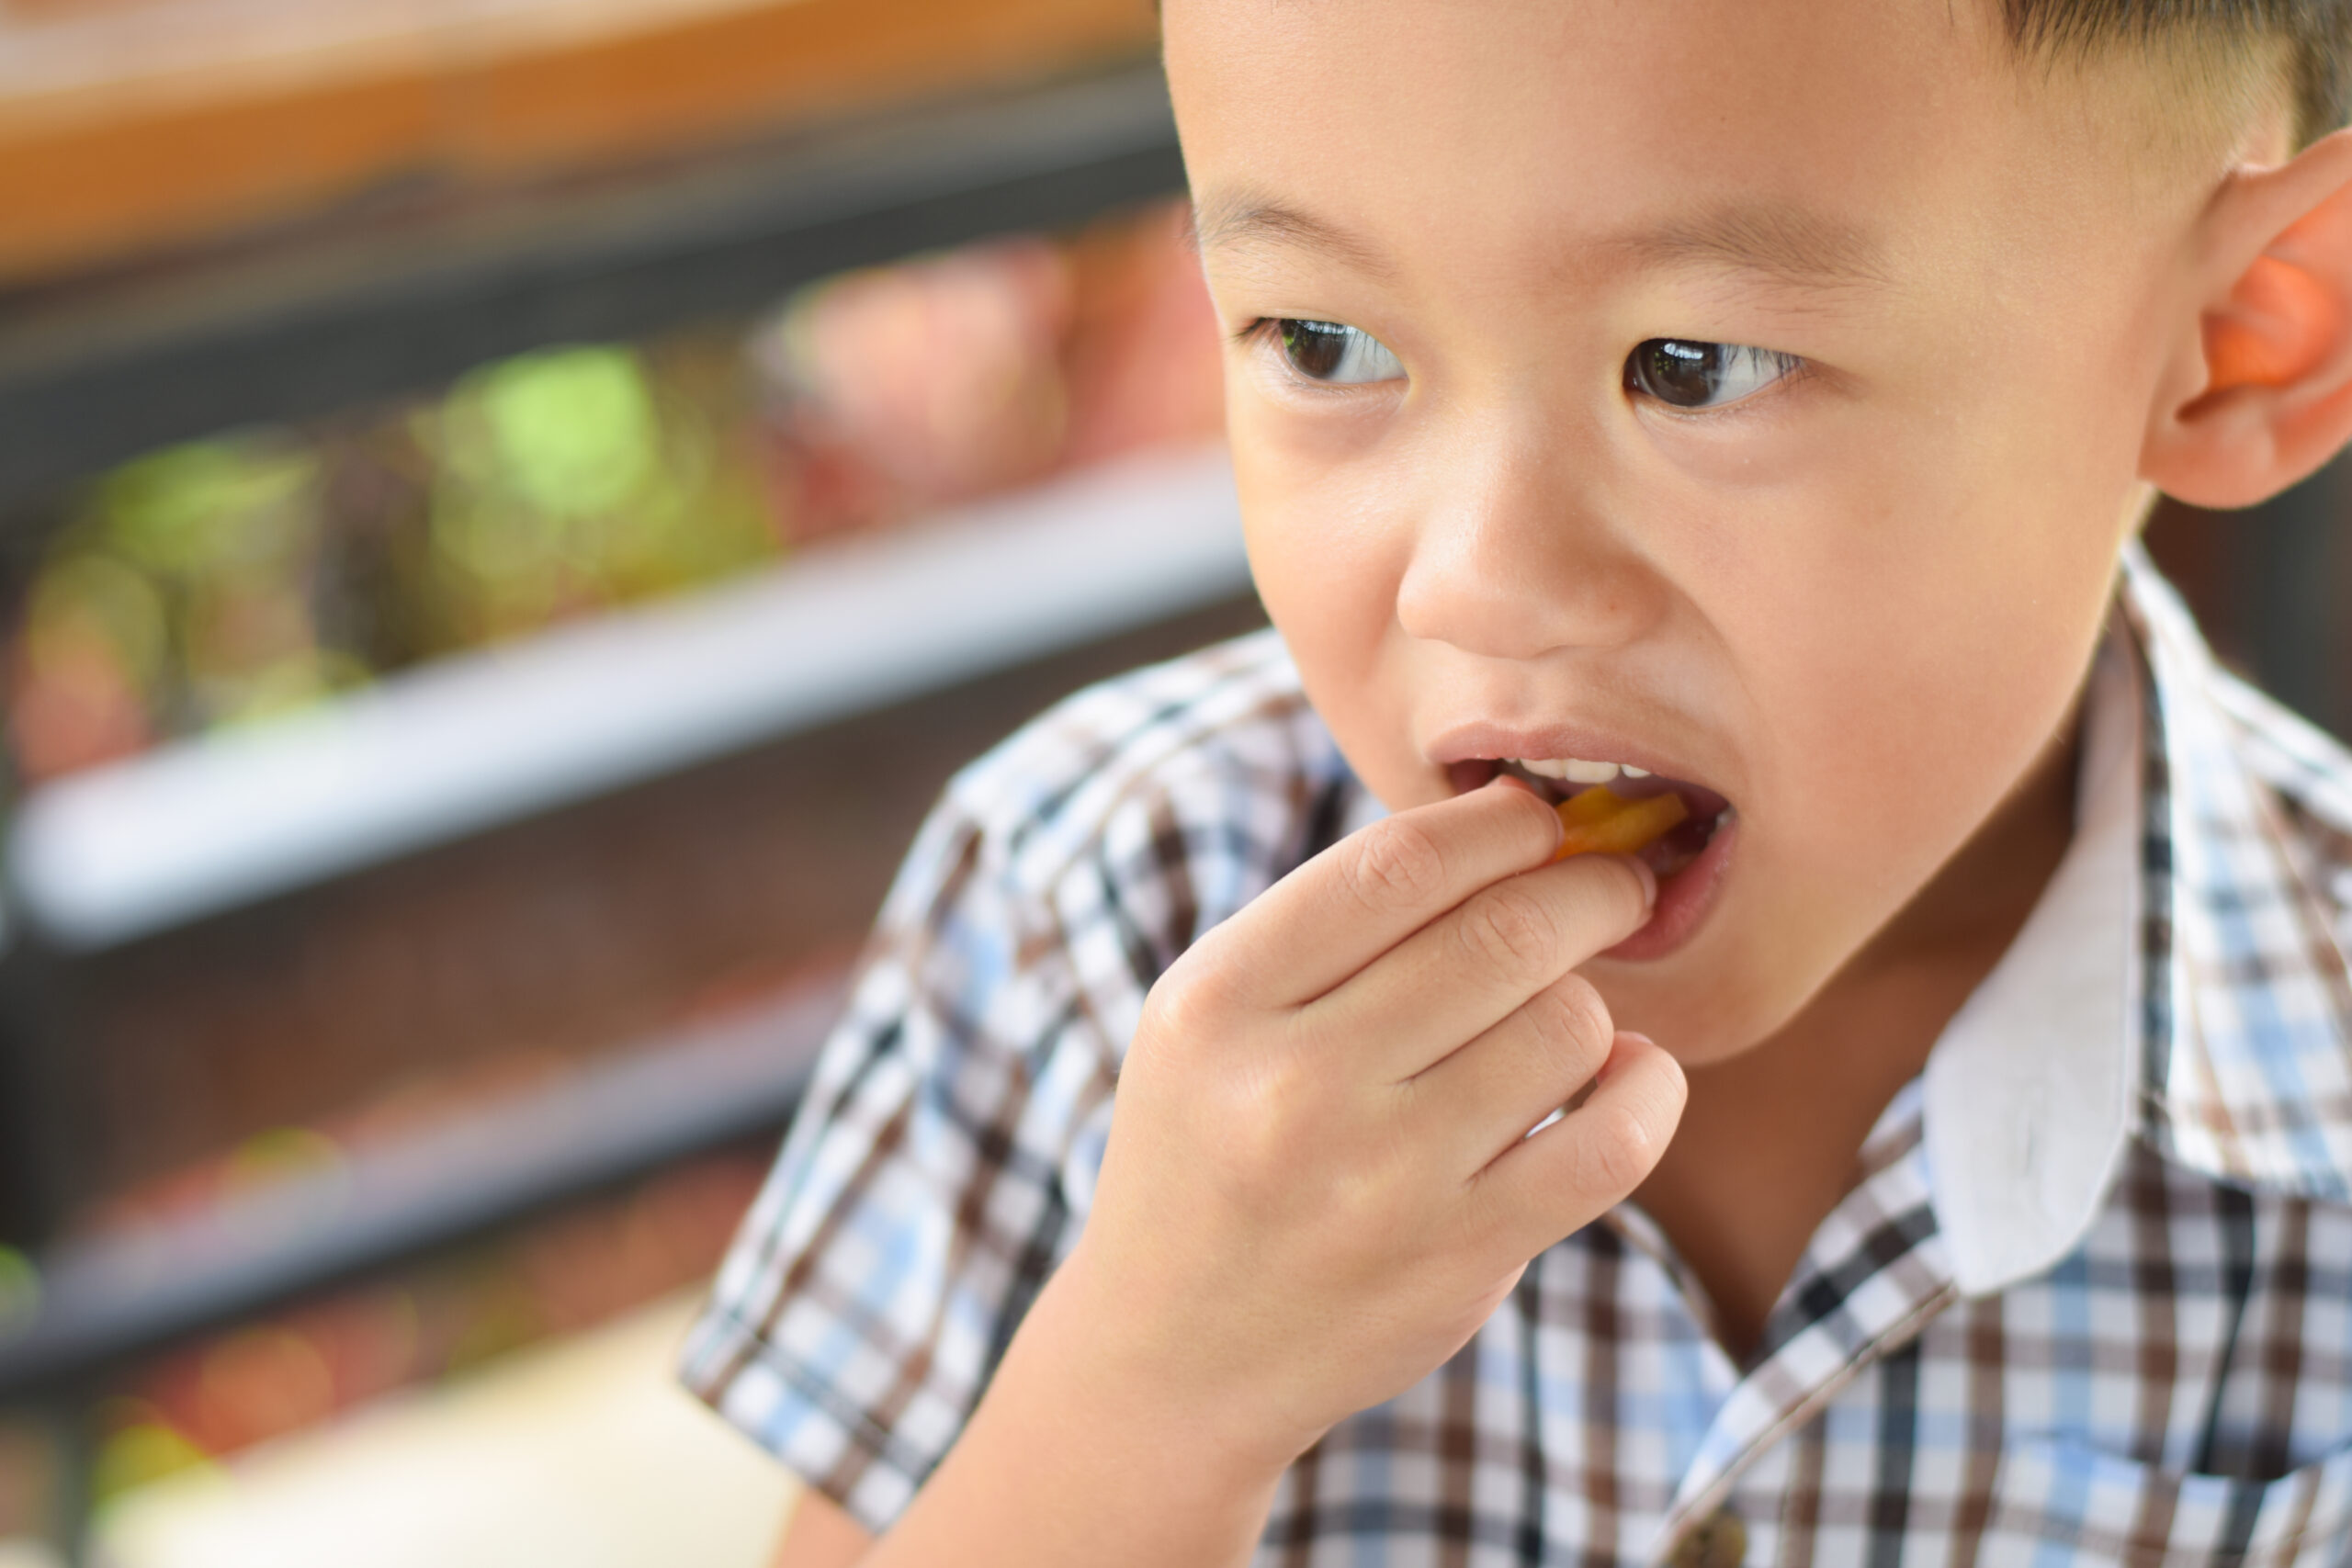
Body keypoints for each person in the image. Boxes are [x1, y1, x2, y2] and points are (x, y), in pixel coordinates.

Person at [681, 1, 2352, 1562]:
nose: (1473, 584)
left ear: (2240, 339)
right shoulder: (1080, 918)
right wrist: (1148, 1398)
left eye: (1691, 364)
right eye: (1324, 342)